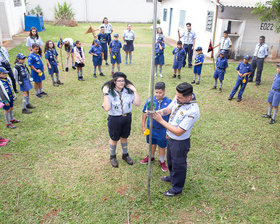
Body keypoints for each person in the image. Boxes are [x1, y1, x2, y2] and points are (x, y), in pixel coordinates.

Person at [152, 82, 199, 197]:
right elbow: (169, 110)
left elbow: (178, 132)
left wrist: (161, 121)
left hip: (180, 142)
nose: (177, 98)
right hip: (171, 137)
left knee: (179, 164)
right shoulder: (179, 97)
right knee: (171, 160)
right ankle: (172, 177)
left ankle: (177, 188)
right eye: (176, 95)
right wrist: (156, 112)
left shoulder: (192, 111)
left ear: (189, 97)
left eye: (180, 97)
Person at [102, 72, 141, 168]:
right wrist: (106, 94)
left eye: (123, 80)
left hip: (127, 118)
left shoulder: (128, 91)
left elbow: (137, 103)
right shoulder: (110, 93)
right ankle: (112, 156)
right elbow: (107, 108)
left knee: (124, 137)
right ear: (114, 81)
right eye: (119, 81)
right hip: (115, 118)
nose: (121, 83)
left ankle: (125, 154)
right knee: (114, 138)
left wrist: (135, 91)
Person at [141, 82, 172, 172]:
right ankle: (151, 157)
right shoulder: (150, 100)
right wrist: (143, 126)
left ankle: (162, 160)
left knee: (162, 146)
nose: (158, 94)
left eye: (160, 93)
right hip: (151, 128)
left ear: (164, 91)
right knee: (152, 143)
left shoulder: (169, 102)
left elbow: (171, 117)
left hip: (162, 129)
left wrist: (168, 130)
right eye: (156, 92)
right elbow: (144, 113)